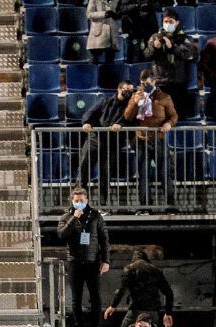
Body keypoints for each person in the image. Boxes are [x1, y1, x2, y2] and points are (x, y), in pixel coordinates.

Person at [57, 187, 110, 327]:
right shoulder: (66, 217)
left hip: (92, 262)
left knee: (95, 298)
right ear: (72, 201)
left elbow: (104, 239)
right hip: (75, 262)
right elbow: (61, 235)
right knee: (76, 299)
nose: (79, 203)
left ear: (86, 200)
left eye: (81, 200)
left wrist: (105, 260)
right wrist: (74, 218)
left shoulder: (95, 216)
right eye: (76, 201)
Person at [123, 69, 178, 211]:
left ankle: (171, 206)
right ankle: (145, 206)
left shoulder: (164, 97)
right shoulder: (136, 95)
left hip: (159, 139)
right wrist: (135, 103)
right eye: (142, 83)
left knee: (164, 173)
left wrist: (168, 124)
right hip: (142, 140)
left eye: (146, 83)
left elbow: (173, 116)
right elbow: (128, 117)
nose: (144, 85)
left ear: (154, 81)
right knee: (143, 174)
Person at [77, 81, 134, 202]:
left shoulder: (130, 107)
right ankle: (78, 203)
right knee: (83, 170)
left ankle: (103, 204)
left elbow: (131, 120)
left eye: (131, 90)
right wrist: (86, 122)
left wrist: (120, 124)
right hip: (95, 139)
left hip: (111, 143)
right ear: (119, 89)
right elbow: (90, 113)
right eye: (126, 89)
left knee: (105, 174)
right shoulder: (105, 101)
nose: (129, 92)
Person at [103, 247, 174, 327]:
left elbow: (121, 290)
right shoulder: (156, 270)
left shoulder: (129, 269)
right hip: (153, 310)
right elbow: (169, 293)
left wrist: (113, 306)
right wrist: (168, 313)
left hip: (136, 309)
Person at [144, 9, 199, 116]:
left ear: (177, 22)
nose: (168, 24)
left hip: (178, 83)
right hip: (161, 83)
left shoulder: (184, 38)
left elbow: (191, 56)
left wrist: (172, 47)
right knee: (161, 117)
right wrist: (155, 48)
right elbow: (147, 55)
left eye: (171, 21)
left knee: (178, 116)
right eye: (166, 21)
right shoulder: (155, 37)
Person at [113, 0, 159, 64]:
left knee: (150, 53)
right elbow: (122, 9)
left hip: (149, 27)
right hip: (134, 29)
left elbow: (157, 6)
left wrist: (148, 4)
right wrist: (136, 5)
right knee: (135, 53)